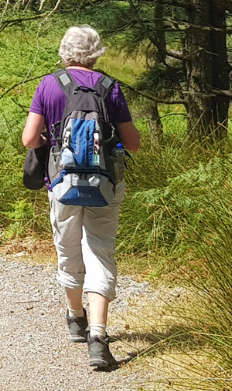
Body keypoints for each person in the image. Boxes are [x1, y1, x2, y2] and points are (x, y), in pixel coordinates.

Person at [21, 25, 143, 372]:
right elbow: (133, 143)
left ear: (64, 52)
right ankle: (99, 338)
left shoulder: (50, 84)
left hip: (62, 183)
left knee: (68, 249)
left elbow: (29, 139)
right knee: (100, 251)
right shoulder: (109, 87)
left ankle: (76, 319)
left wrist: (53, 140)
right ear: (96, 53)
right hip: (106, 183)